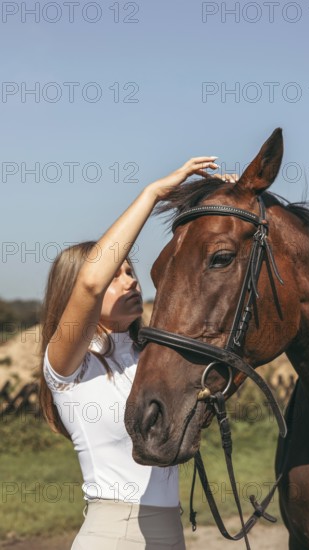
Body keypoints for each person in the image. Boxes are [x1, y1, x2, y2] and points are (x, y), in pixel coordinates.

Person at [38, 157, 239, 550]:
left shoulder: (151, 357)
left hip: (170, 535)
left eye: (130, 271)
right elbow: (90, 283)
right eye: (117, 275)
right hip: (112, 536)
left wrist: (225, 199)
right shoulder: (69, 367)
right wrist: (153, 193)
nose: (129, 280)